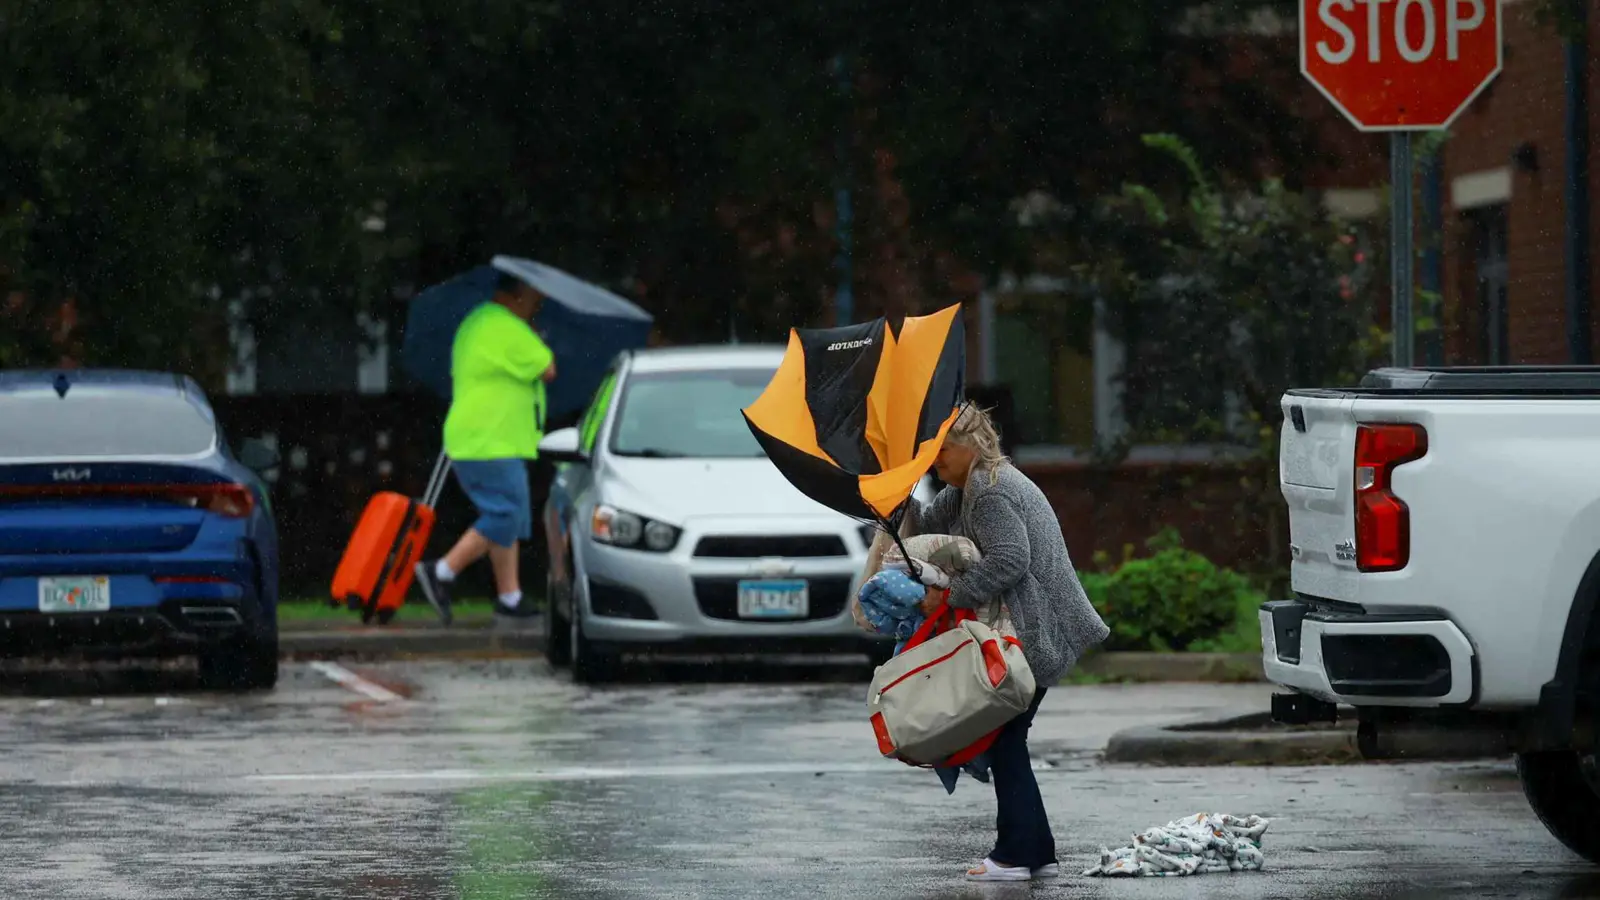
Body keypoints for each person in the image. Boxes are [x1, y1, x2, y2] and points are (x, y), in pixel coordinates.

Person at [908, 404, 1110, 883]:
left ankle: (1018, 852)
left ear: (971, 447)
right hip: (1028, 625)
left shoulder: (991, 491)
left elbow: (1010, 560)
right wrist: (891, 497)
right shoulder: (965, 491)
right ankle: (1031, 850)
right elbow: (925, 524)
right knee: (1006, 737)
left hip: (1037, 628)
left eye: (943, 450)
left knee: (1003, 736)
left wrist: (949, 596)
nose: (935, 459)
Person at [414, 273, 556, 624]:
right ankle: (442, 571)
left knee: (507, 515)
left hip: (480, 438)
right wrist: (537, 340)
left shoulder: (477, 322)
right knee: (506, 513)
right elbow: (548, 368)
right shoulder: (507, 327)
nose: (537, 306)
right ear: (518, 295)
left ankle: (510, 597)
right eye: (535, 299)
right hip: (491, 440)